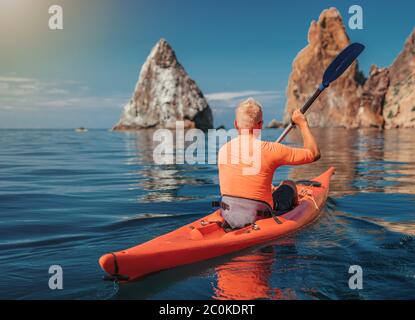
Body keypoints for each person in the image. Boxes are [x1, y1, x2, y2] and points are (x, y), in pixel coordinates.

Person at [217, 98, 320, 229]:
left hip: (229, 214)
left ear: (236, 124)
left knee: (270, 189)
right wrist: (302, 123)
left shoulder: (223, 150)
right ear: (260, 125)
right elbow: (314, 153)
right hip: (261, 216)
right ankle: (292, 212)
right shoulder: (271, 149)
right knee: (288, 184)